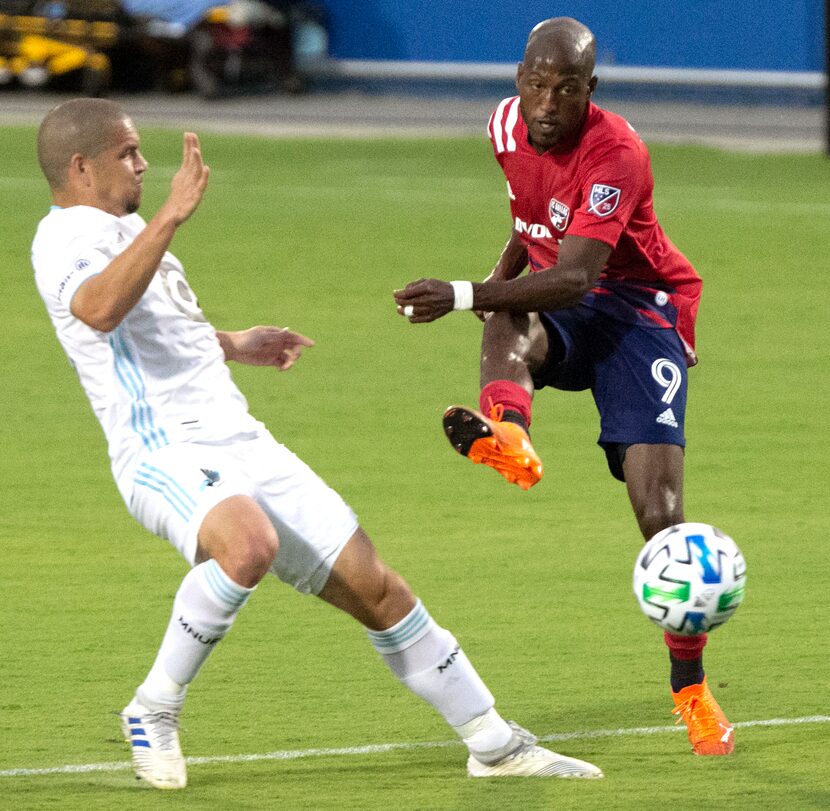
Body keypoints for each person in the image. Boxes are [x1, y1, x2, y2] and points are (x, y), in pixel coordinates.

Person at [30, 98, 603, 790]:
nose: (144, 163)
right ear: (80, 166)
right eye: (127, 152)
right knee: (247, 545)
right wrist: (173, 213)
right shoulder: (67, 237)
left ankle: (494, 741)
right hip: (162, 448)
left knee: (376, 586)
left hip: (238, 437)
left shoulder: (124, 232)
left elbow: (161, 333)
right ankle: (153, 707)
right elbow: (97, 310)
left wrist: (239, 343)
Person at [394, 17, 734, 757]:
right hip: (569, 302)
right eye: (536, 84)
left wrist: (463, 292)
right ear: (518, 81)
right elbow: (528, 217)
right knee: (505, 303)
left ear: (592, 91)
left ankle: (691, 689)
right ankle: (509, 436)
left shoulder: (618, 152)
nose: (548, 102)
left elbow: (580, 273)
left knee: (662, 518)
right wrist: (493, 286)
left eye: (567, 88)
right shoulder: (505, 127)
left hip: (638, 310)